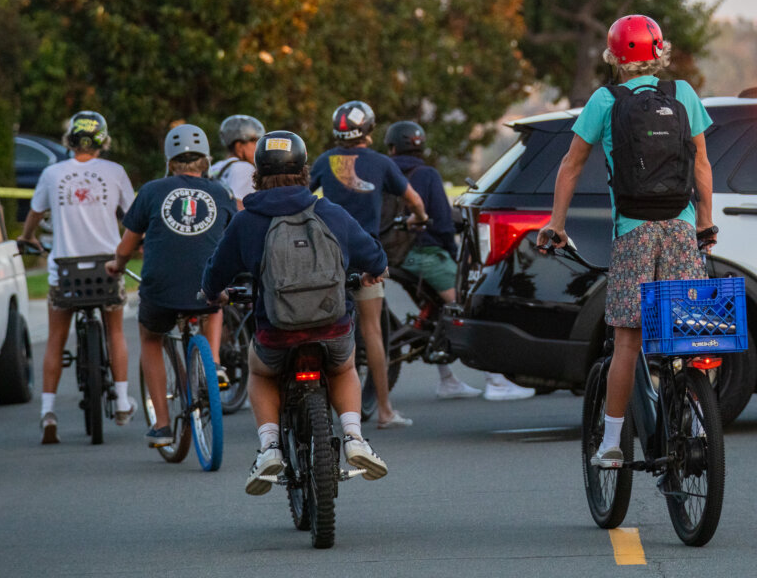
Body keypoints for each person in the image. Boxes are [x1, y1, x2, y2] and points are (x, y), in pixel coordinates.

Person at [535, 15, 716, 468]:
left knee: (627, 342)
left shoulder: (604, 100)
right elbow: (701, 165)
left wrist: (557, 223)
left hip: (633, 231)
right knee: (689, 334)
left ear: (614, 58)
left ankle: (612, 444)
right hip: (680, 228)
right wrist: (704, 224)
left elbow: (571, 165)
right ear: (660, 53)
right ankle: (697, 427)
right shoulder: (683, 94)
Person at [201, 130, 389, 493]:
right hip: (333, 327)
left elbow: (216, 272)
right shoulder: (329, 212)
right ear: (304, 169)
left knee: (261, 373)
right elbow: (375, 258)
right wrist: (369, 272)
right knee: (344, 367)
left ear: (258, 172)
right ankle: (354, 437)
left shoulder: (246, 221)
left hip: (276, 332)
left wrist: (214, 294)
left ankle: (270, 446)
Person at [106, 124, 235, 447]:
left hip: (161, 288)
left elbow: (127, 245)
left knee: (151, 338)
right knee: (214, 302)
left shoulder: (151, 191)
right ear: (206, 160)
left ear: (169, 161)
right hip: (205, 285)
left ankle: (162, 426)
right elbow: (232, 233)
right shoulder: (220, 192)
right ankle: (214, 364)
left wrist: (117, 265)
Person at [384, 121, 533, 401]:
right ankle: (496, 381)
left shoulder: (383, 172)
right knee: (468, 307)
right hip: (425, 255)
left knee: (438, 309)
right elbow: (442, 222)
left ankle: (447, 380)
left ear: (392, 147)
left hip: (393, 255)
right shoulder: (426, 174)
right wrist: (452, 253)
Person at [19, 111, 137, 444]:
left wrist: (27, 237)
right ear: (103, 141)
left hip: (64, 271)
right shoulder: (115, 172)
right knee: (115, 331)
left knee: (56, 338)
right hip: (107, 267)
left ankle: (48, 412)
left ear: (69, 140)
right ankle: (123, 401)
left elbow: (35, 214)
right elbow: (134, 217)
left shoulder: (52, 173)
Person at [311, 102, 427, 428]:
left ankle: (330, 405)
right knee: (372, 331)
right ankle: (385, 411)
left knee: (331, 327)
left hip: (330, 257)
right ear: (369, 130)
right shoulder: (381, 162)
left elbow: (302, 196)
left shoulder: (325, 161)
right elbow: (414, 200)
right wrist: (420, 218)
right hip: (366, 258)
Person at [211, 114, 265, 209]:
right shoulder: (243, 167)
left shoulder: (215, 167)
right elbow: (238, 207)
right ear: (239, 146)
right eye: (253, 141)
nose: (258, 147)